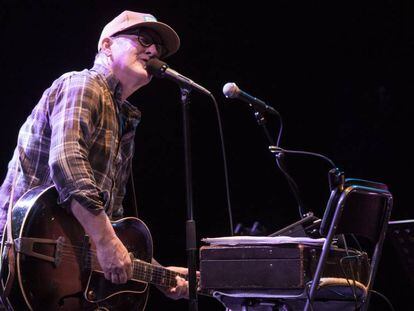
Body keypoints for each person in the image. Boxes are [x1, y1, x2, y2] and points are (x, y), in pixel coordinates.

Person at [0, 10, 190, 304]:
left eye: (158, 48)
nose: (153, 50)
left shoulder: (123, 118)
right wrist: (106, 241)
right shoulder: (84, 85)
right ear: (106, 45)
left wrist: (158, 274)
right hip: (25, 257)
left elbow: (110, 223)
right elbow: (67, 162)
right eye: (143, 39)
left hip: (60, 278)